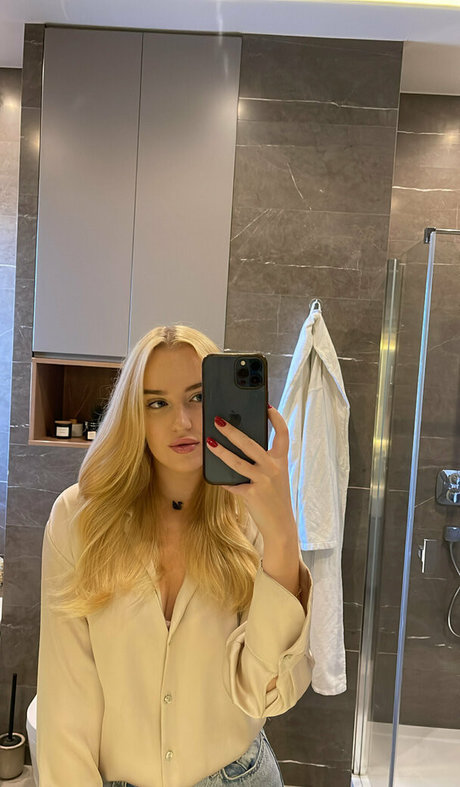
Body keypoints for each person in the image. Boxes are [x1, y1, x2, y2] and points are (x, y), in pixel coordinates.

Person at [36, 324, 314, 787]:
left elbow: (266, 694)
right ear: (134, 415)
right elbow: (65, 705)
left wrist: (283, 536)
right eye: (157, 403)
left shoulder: (251, 520)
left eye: (198, 397)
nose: (182, 421)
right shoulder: (79, 519)